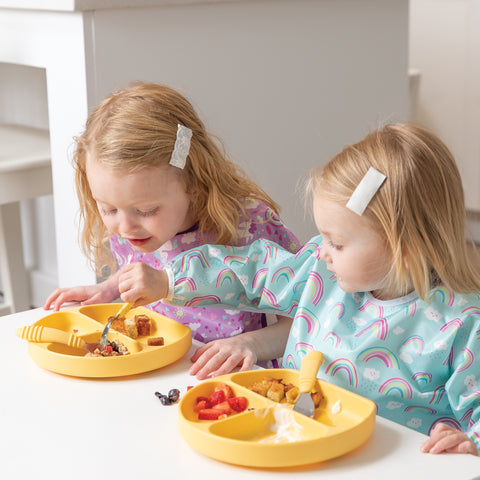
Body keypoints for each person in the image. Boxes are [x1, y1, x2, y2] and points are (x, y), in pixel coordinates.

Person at [116, 123, 480, 455]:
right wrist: (170, 280)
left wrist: (470, 442)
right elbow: (252, 269)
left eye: (337, 243)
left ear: (406, 246)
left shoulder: (461, 325)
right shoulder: (320, 273)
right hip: (292, 443)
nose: (322, 251)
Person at [43, 81, 300, 372]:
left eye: (146, 210)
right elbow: (148, 265)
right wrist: (108, 288)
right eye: (108, 208)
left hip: (234, 382)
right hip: (164, 373)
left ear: (193, 182)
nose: (125, 227)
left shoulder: (251, 228)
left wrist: (251, 344)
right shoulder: (137, 228)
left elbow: (307, 320)